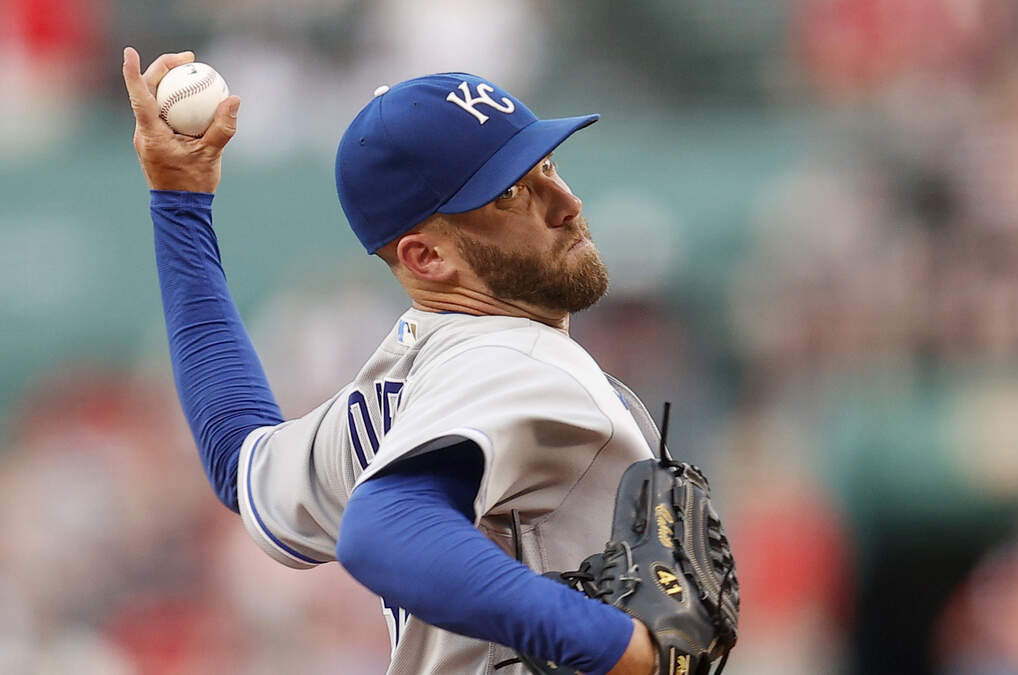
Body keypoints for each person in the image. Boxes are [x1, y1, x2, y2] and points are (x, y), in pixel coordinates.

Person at [122, 48, 659, 675]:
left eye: (548, 166)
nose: (565, 201)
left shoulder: (398, 385)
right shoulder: (518, 360)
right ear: (427, 257)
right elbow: (387, 534)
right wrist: (623, 649)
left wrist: (179, 204)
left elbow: (237, 455)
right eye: (513, 193)